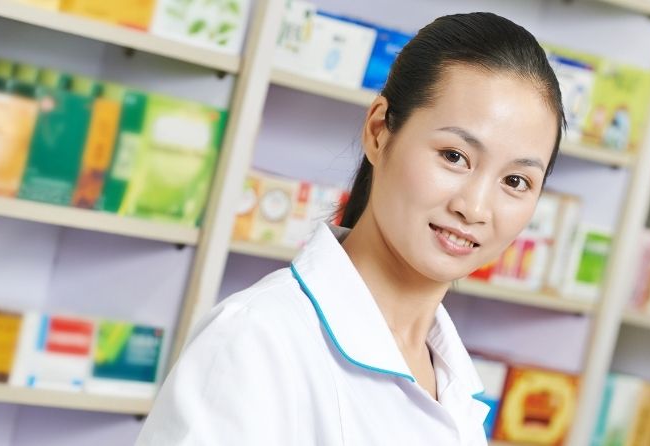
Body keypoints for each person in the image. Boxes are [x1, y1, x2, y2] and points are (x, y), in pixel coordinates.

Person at [136, 12, 564, 445]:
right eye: (454, 156)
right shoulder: (257, 338)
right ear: (379, 132)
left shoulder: (454, 384)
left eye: (516, 181)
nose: (474, 208)